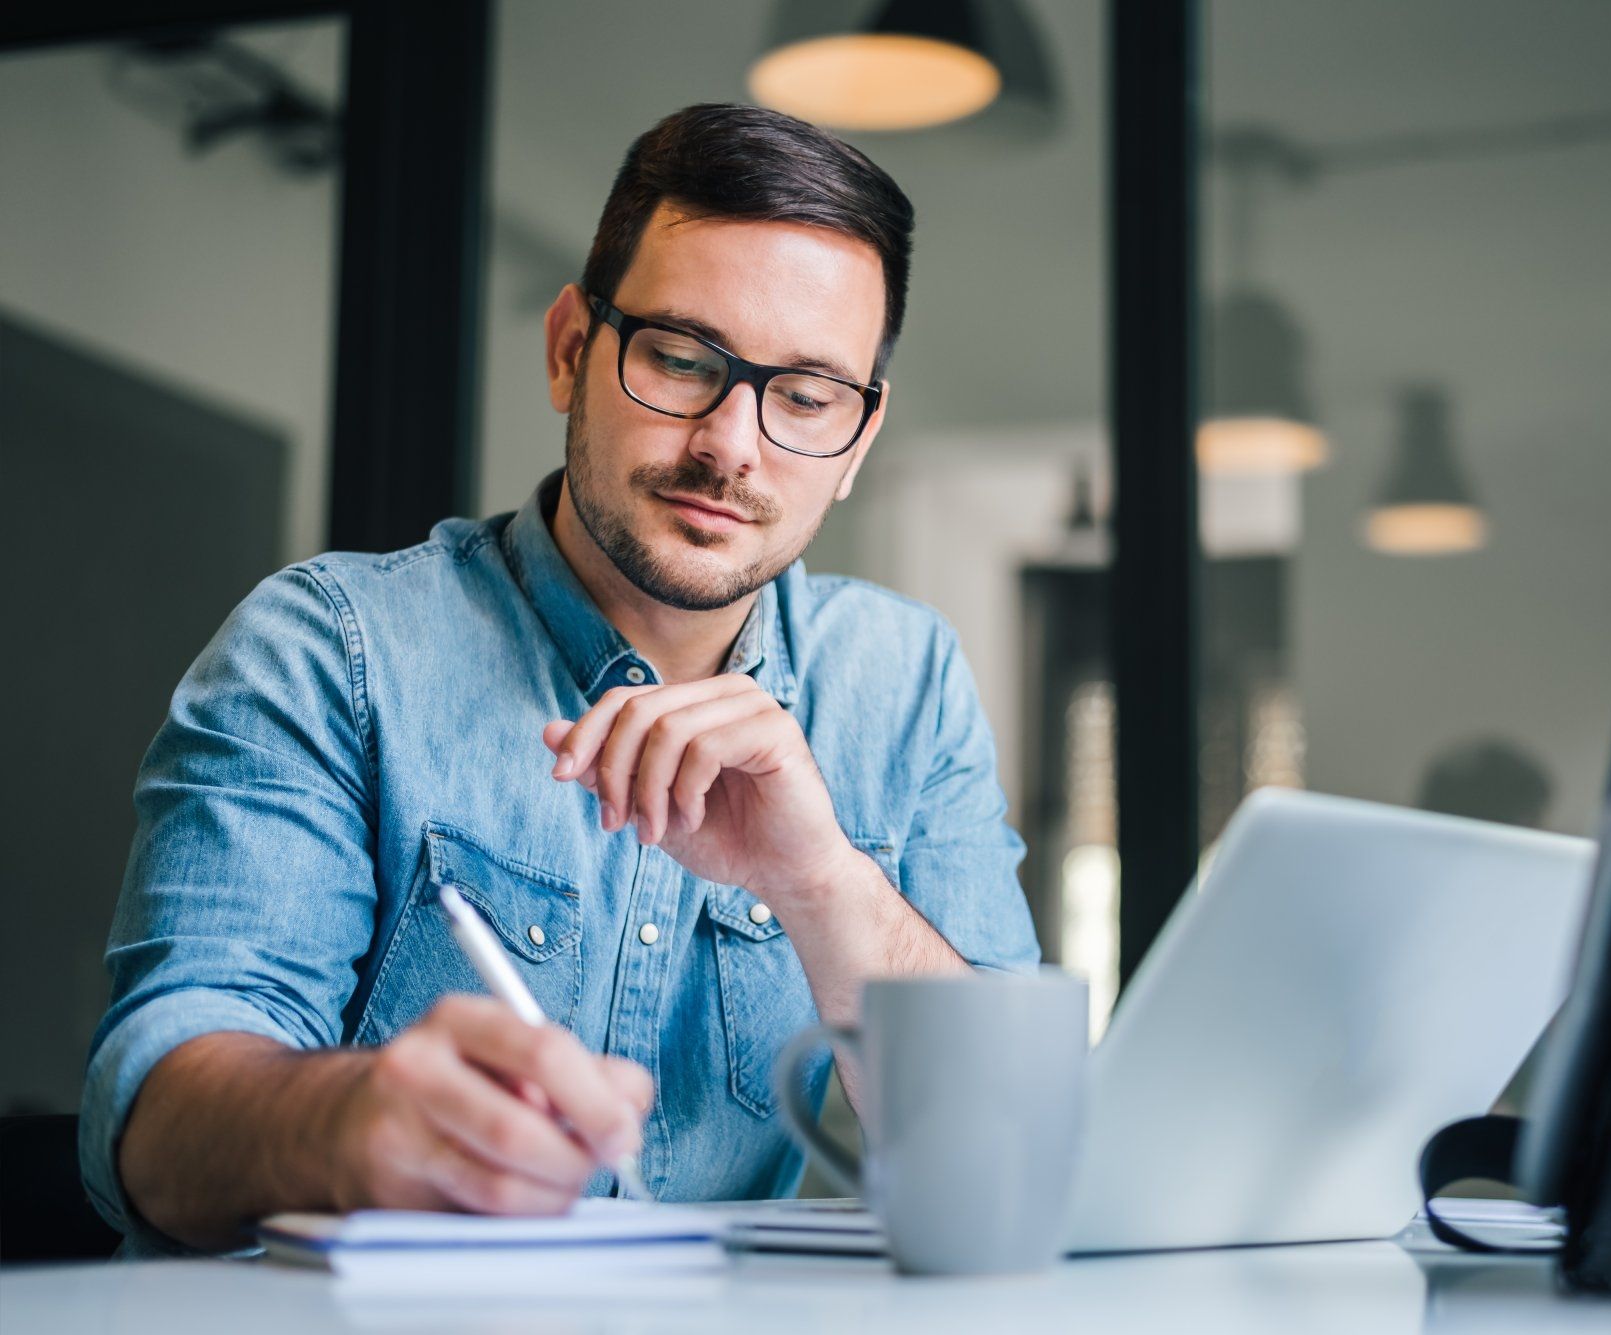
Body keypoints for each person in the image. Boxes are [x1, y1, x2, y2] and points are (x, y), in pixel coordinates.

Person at [79, 103, 1038, 1255]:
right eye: (683, 359)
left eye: (804, 397)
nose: (733, 444)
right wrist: (342, 1125)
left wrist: (823, 882)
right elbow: (152, 1117)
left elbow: (1017, 1152)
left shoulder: (904, 680)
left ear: (856, 446)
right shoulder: (327, 647)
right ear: (569, 351)